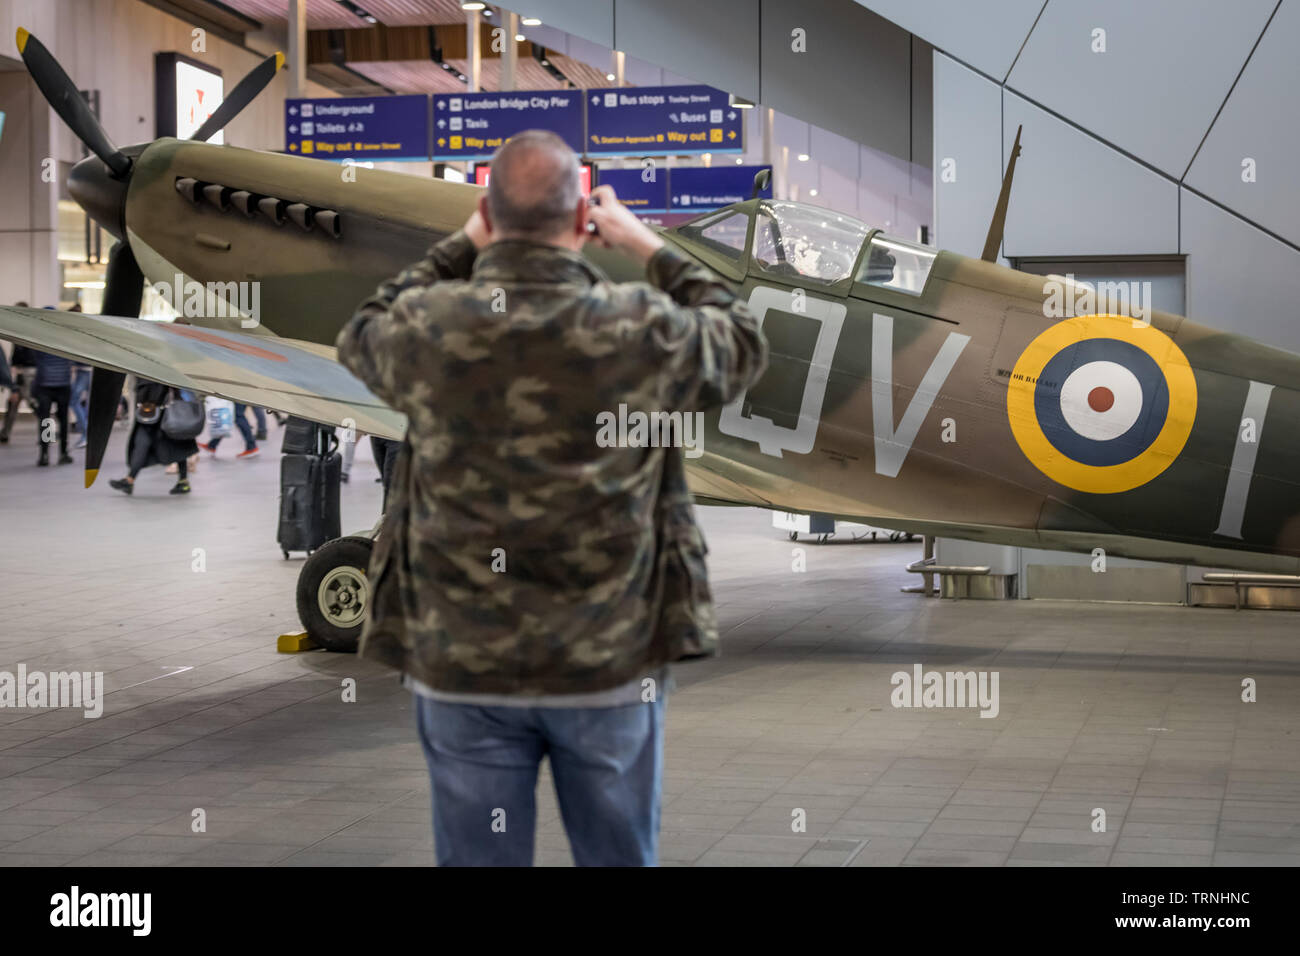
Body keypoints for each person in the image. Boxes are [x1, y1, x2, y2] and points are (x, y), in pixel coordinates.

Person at [337, 129, 767, 867]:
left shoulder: (429, 326)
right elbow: (742, 340)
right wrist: (647, 245)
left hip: (464, 665)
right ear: (581, 223)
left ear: (486, 215)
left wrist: (458, 244)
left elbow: (360, 330)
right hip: (607, 664)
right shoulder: (639, 325)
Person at [109, 380, 197, 495]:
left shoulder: (153, 374)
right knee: (150, 444)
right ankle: (130, 480)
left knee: (174, 446)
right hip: (153, 415)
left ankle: (183, 481)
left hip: (161, 414)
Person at [31, 339, 74, 467]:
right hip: (63, 383)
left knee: (46, 421)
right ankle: (63, 453)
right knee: (63, 419)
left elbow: (35, 357)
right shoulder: (66, 342)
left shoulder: (41, 340)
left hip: (45, 383)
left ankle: (44, 455)